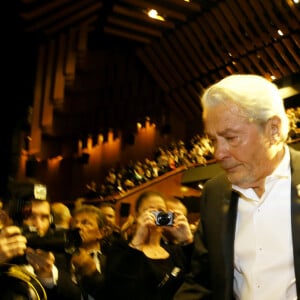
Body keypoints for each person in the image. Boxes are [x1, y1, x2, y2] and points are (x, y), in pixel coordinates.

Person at [174, 74, 300, 299]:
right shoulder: (214, 193)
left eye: (231, 138)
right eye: (213, 140)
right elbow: (202, 281)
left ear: (273, 129)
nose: (218, 153)